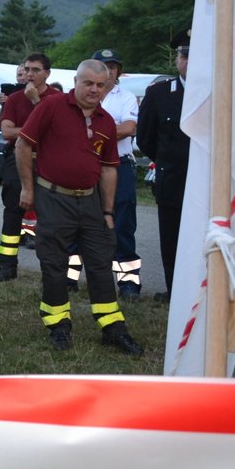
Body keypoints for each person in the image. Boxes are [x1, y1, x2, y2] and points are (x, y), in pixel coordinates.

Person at [15, 59, 144, 354]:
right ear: (76, 81)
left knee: (100, 263)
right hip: (53, 198)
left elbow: (110, 168)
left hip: (91, 201)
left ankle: (112, 327)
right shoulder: (52, 107)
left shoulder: (106, 122)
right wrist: (27, 188)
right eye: (89, 83)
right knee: (55, 263)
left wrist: (108, 211)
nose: (94, 90)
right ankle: (58, 325)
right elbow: (23, 145)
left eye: (101, 85)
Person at [137, 36, 191, 302]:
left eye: (194, 56)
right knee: (171, 240)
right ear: (178, 60)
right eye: (184, 56)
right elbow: (145, 137)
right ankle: (174, 292)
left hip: (208, 184)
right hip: (173, 180)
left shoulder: (220, 90)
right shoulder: (159, 93)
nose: (188, 62)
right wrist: (169, 161)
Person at [0, 53, 53, 283]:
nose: (29, 74)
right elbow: (7, 132)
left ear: (47, 73)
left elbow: (57, 130)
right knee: (13, 212)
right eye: (27, 69)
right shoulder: (15, 98)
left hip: (47, 160)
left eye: (35, 70)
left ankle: (51, 270)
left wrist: (37, 102)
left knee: (49, 216)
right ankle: (7, 266)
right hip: (16, 159)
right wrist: (37, 131)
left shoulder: (57, 98)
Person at [94, 48, 143, 299]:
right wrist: (110, 128)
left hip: (118, 164)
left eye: (113, 67)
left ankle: (128, 282)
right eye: (104, 66)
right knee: (82, 221)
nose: (109, 71)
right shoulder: (86, 94)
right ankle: (71, 278)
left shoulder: (126, 97)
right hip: (87, 165)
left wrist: (95, 130)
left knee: (122, 223)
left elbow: (128, 128)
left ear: (118, 71)